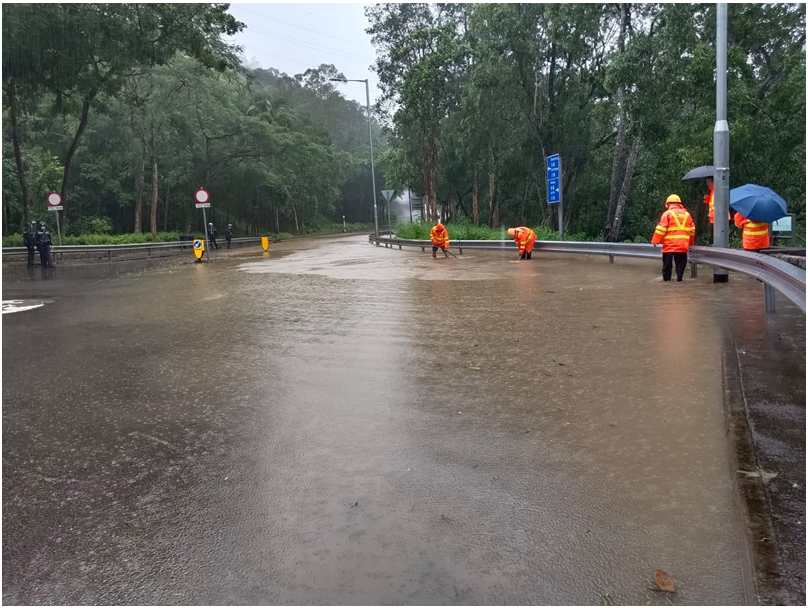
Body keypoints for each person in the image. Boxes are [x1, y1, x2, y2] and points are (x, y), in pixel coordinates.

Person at [651, 194, 695, 282]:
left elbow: (661, 229)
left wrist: (655, 240)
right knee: (680, 266)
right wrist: (690, 242)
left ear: (668, 204)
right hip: (682, 246)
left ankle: (667, 282)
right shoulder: (687, 215)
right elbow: (692, 231)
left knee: (667, 267)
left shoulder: (667, 214)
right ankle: (679, 280)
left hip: (669, 246)